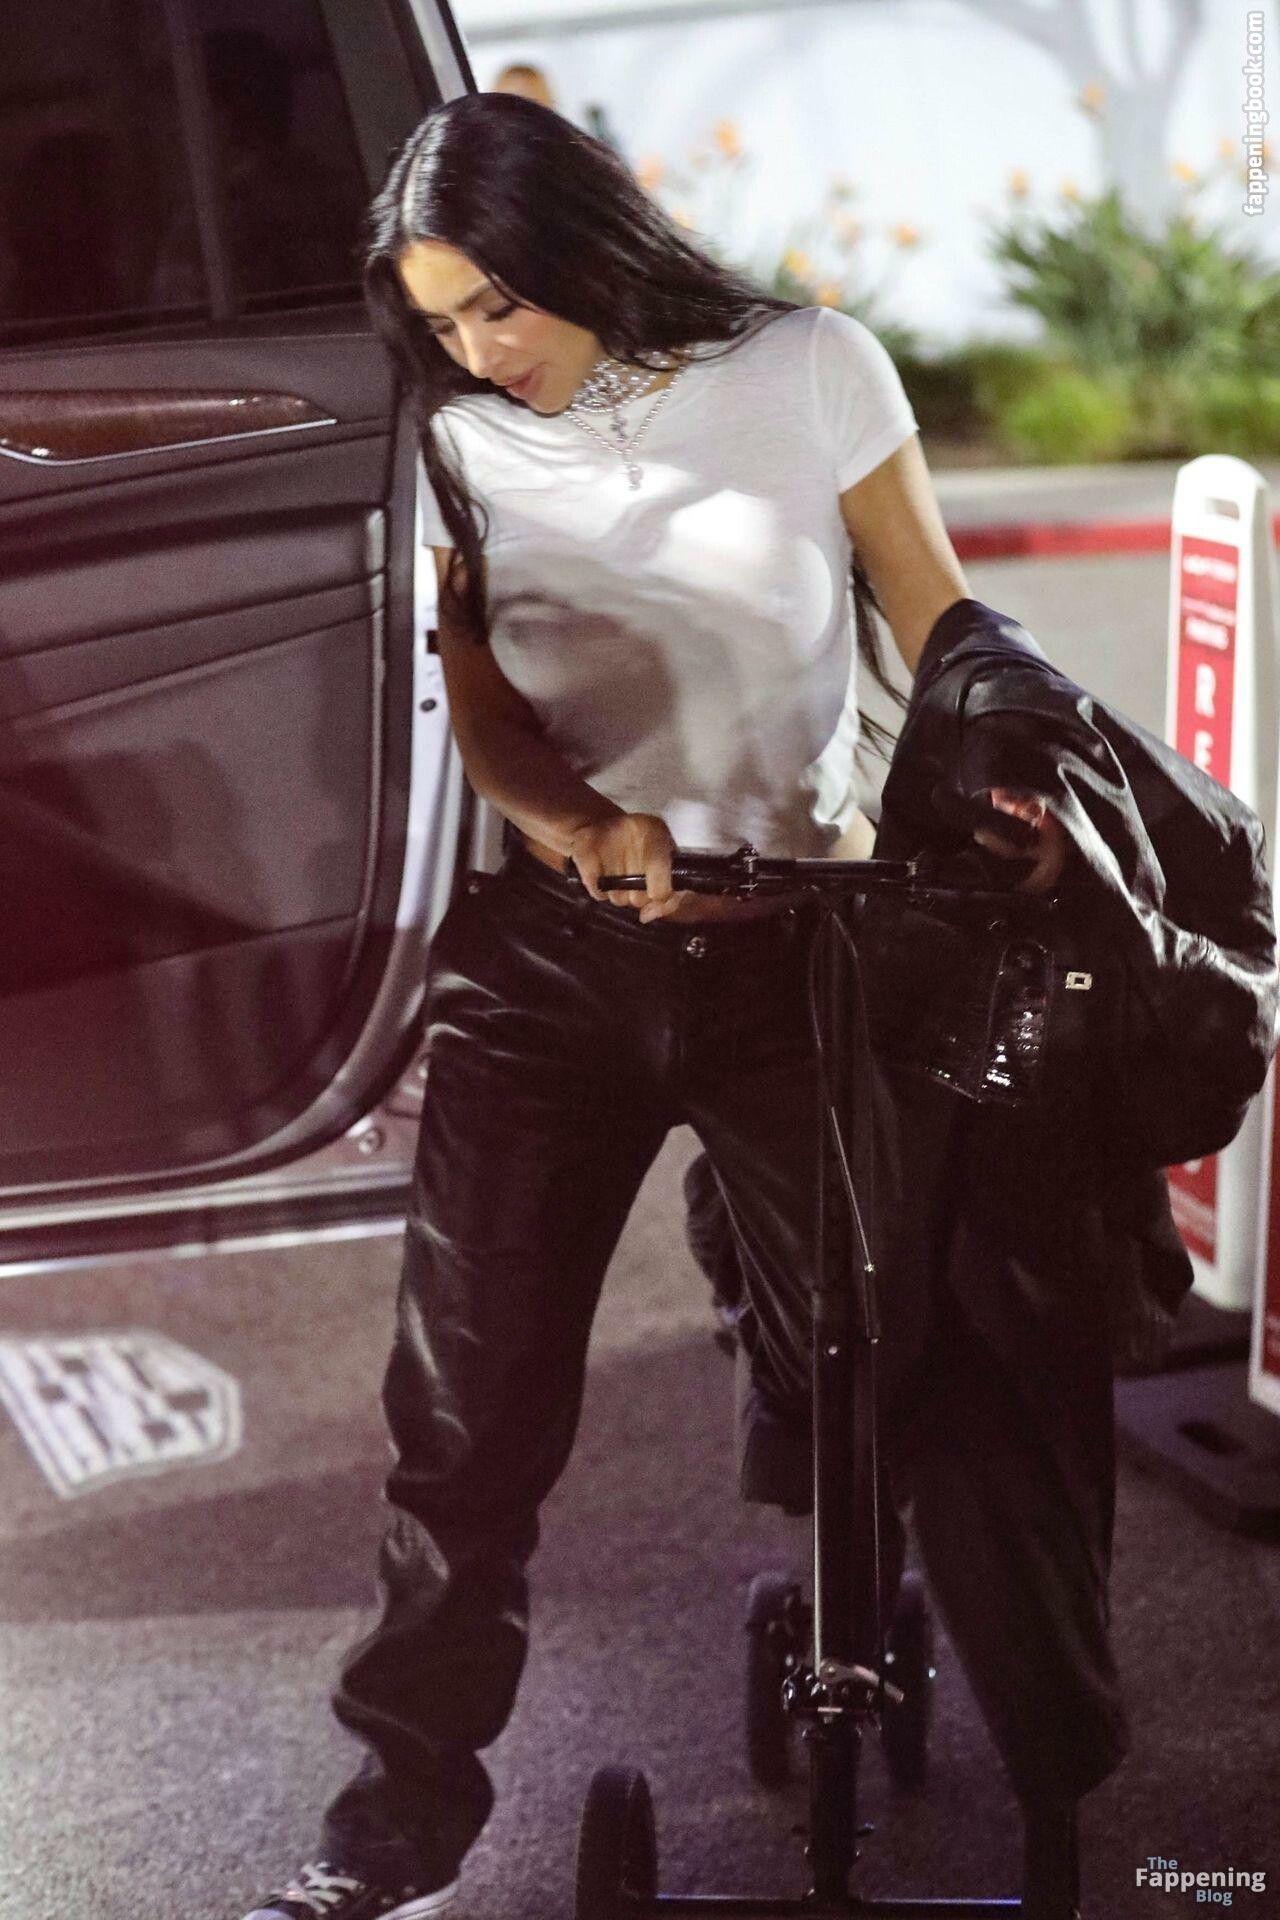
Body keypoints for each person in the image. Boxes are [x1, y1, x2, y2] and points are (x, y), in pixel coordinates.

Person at [242, 93, 1110, 1920]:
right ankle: (398, 1822)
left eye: (499, 304)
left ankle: (899, 1640)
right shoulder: (456, 438)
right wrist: (583, 827)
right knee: (466, 1414)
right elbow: (477, 699)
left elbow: (940, 621)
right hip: (553, 963)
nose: (480, 350)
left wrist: (1013, 782)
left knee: (896, 1358)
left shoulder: (808, 369)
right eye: (442, 322)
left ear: (578, 246)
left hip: (807, 951)